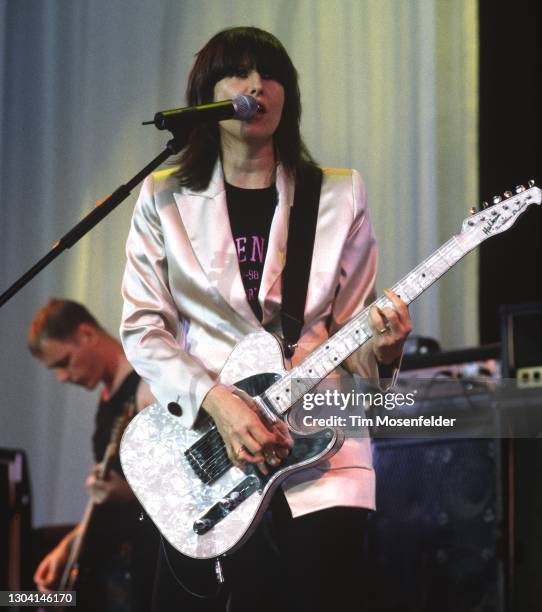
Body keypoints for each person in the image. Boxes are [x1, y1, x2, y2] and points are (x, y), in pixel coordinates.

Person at [120, 26, 412, 612]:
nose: (257, 85)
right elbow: (143, 328)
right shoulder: (163, 197)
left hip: (321, 452)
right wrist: (215, 400)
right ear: (208, 94)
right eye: (239, 73)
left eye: (271, 74)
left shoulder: (338, 196)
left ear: (288, 95)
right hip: (207, 451)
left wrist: (381, 348)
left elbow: (352, 332)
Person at [28, 299, 158, 612]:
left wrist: (128, 495)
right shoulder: (106, 399)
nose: (62, 378)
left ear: (86, 334)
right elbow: (104, 498)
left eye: (64, 363)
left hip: (138, 571)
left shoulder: (146, 389)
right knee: (16, 600)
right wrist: (68, 544)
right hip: (106, 569)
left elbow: (184, 485)